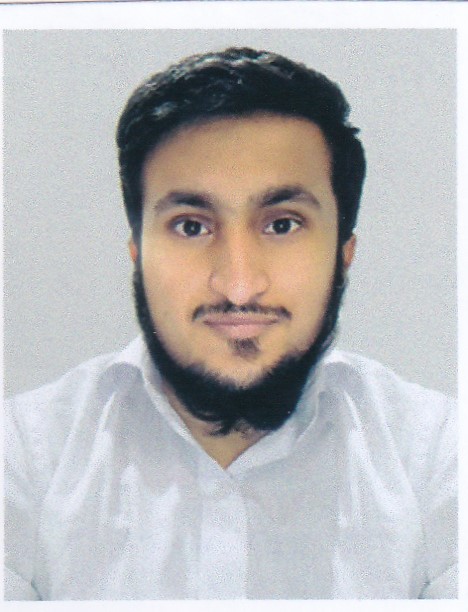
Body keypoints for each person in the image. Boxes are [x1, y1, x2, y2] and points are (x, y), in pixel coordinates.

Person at [4, 47, 457, 601]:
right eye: (191, 226)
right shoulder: (23, 457)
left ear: (344, 252)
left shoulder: (439, 458)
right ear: (137, 251)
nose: (238, 286)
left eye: (282, 224)